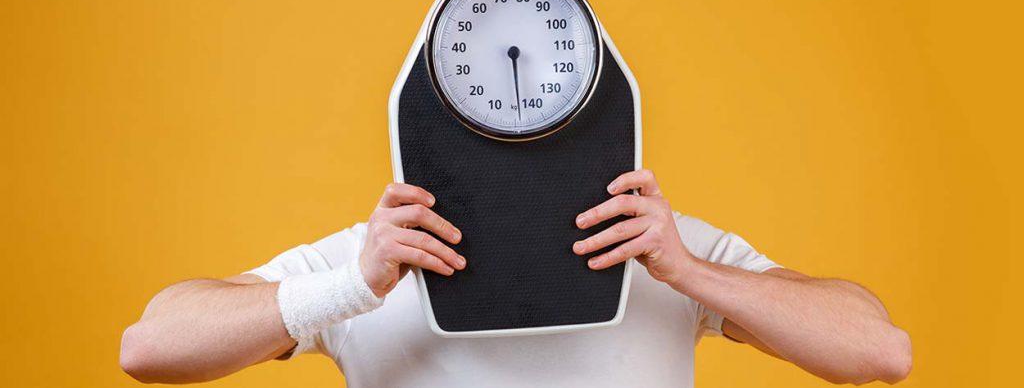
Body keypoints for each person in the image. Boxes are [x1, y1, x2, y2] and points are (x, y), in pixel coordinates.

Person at [119, 169, 912, 387]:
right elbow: (151, 347)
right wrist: (350, 286)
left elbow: (878, 351)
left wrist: (692, 273)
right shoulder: (376, 258)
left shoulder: (656, 248)